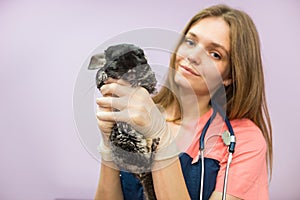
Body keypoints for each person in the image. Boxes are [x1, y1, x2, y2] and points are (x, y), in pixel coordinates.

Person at [94, 4, 273, 200]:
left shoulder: (245, 141)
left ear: (229, 76)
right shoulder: (136, 115)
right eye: (190, 42)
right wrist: (109, 146)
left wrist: (160, 136)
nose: (193, 56)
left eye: (215, 54)